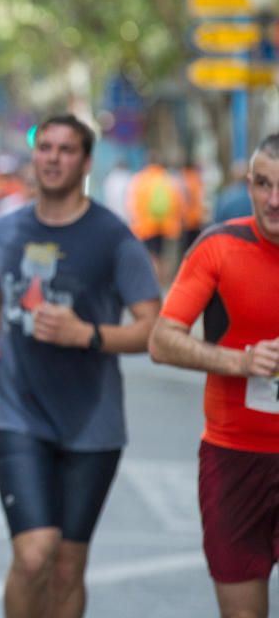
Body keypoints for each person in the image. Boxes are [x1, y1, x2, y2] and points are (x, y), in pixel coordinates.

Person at [0, 114, 161, 618]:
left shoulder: (114, 237)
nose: (53, 158)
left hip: (91, 425)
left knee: (67, 566)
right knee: (34, 554)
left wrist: (88, 334)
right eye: (45, 148)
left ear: (85, 161)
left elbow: (154, 329)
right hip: (19, 416)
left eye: (66, 150)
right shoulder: (3, 231)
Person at [148, 133, 279, 618]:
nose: (274, 200)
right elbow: (162, 341)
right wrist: (240, 362)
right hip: (234, 456)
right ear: (248, 184)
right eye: (262, 184)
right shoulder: (220, 246)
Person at [125, 154, 184, 283]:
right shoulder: (168, 178)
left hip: (146, 225)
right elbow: (178, 202)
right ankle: (164, 279)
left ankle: (154, 279)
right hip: (166, 224)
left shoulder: (140, 179)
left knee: (151, 254)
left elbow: (132, 203)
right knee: (163, 253)